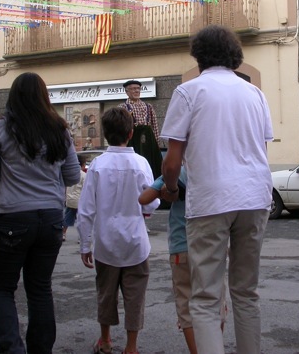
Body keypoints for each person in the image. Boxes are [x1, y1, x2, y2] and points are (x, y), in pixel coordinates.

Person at [161, 25, 273, 354]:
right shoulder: (255, 93)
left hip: (211, 198)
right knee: (246, 292)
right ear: (234, 55)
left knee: (206, 297)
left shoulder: (189, 92)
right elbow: (261, 151)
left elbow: (172, 162)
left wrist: (170, 189)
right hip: (255, 196)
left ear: (198, 55)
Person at [0, 72, 81, 354]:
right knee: (40, 288)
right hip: (50, 218)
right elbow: (72, 175)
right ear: (44, 96)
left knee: (1, 288)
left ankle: (13, 349)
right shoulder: (59, 129)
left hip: (10, 217)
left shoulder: (1, 128)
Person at [77, 107, 160, 354]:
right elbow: (153, 200)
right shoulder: (141, 163)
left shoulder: (97, 166)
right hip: (136, 243)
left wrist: (85, 244)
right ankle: (131, 347)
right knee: (135, 297)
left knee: (106, 293)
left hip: (106, 243)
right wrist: (144, 212)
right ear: (131, 133)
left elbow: (86, 209)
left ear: (105, 134)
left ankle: (105, 341)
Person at [139, 166, 228, 354]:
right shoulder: (215, 169)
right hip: (211, 246)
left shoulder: (177, 172)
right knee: (215, 302)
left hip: (181, 247)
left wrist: (166, 190)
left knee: (187, 306)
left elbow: (144, 198)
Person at [118, 79, 163, 179]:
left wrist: (156, 144)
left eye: (138, 88)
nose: (136, 91)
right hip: (132, 140)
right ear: (127, 91)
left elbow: (154, 125)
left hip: (148, 141)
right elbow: (120, 128)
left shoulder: (148, 106)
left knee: (151, 165)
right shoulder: (122, 107)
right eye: (133, 89)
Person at [62, 154, 86, 242]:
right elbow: (85, 188)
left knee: (67, 218)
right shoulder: (84, 175)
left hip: (69, 200)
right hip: (80, 201)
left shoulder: (70, 174)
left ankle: (63, 234)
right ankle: (81, 237)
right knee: (81, 220)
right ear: (83, 165)